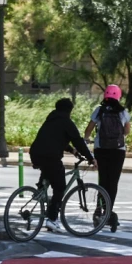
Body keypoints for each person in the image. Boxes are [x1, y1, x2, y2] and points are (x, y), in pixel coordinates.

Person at [29, 98, 94, 232]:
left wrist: (72, 150)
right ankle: (52, 219)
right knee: (60, 187)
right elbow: (78, 141)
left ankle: (40, 189)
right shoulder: (67, 122)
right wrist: (91, 158)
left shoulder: (50, 120)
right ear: (70, 110)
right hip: (50, 156)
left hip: (36, 153)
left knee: (49, 171)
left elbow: (56, 139)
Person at [83, 85, 131, 232]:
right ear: (118, 96)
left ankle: (98, 209)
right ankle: (108, 211)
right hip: (117, 151)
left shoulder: (99, 110)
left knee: (102, 180)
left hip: (101, 149)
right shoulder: (123, 111)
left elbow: (88, 130)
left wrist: (87, 139)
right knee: (113, 182)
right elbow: (127, 132)